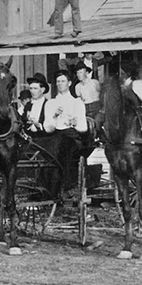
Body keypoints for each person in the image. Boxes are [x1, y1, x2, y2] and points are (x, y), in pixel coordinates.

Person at [42, 69, 89, 202]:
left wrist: (75, 123)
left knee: (66, 146)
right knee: (47, 149)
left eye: (63, 81)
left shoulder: (76, 102)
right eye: (58, 81)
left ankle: (68, 187)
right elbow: (48, 128)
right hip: (55, 135)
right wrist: (54, 116)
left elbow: (83, 128)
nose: (60, 84)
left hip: (71, 135)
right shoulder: (51, 103)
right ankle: (47, 189)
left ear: (69, 83)